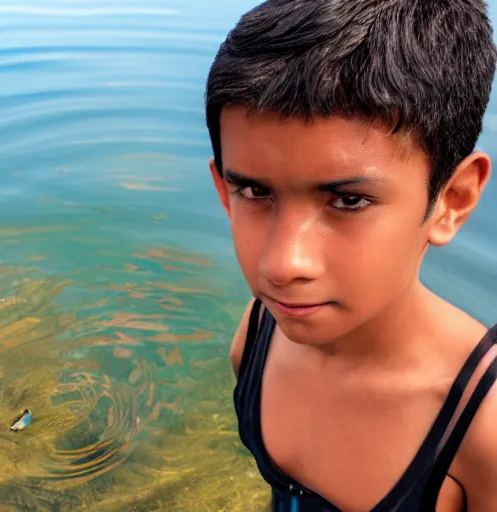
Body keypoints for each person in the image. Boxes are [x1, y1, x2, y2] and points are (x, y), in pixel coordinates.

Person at [205, 1, 497, 510]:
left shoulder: (481, 427)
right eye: (254, 192)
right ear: (222, 188)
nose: (282, 265)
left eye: (348, 200)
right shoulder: (257, 337)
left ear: (452, 200)